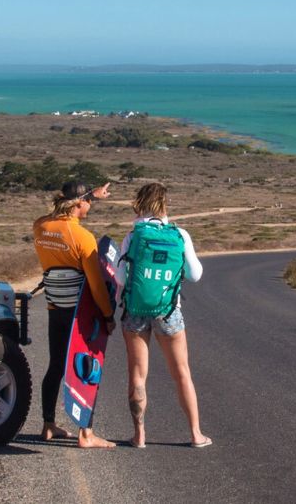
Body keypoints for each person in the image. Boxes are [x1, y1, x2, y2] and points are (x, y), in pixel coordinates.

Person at [116, 183, 211, 449]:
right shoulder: (179, 234)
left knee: (137, 374)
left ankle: (139, 435)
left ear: (140, 203)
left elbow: (120, 277)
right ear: (165, 203)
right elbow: (195, 274)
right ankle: (196, 434)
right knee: (181, 372)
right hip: (168, 311)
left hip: (135, 312)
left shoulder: (132, 236)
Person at [32, 180, 117, 448]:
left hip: (55, 306)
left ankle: (48, 425)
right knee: (87, 368)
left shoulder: (41, 226)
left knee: (56, 365)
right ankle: (86, 434)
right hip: (80, 314)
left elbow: (58, 214)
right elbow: (96, 285)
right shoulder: (83, 237)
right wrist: (108, 315)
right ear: (79, 203)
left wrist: (93, 195)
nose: (90, 205)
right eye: (88, 201)